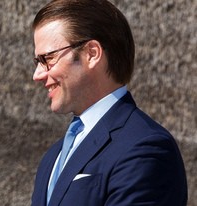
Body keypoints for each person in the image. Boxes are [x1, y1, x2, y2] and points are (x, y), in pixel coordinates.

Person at [30, 0, 187, 205]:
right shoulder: (53, 157)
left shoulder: (144, 148)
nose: (37, 75)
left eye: (48, 58)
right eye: (37, 62)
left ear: (92, 54)